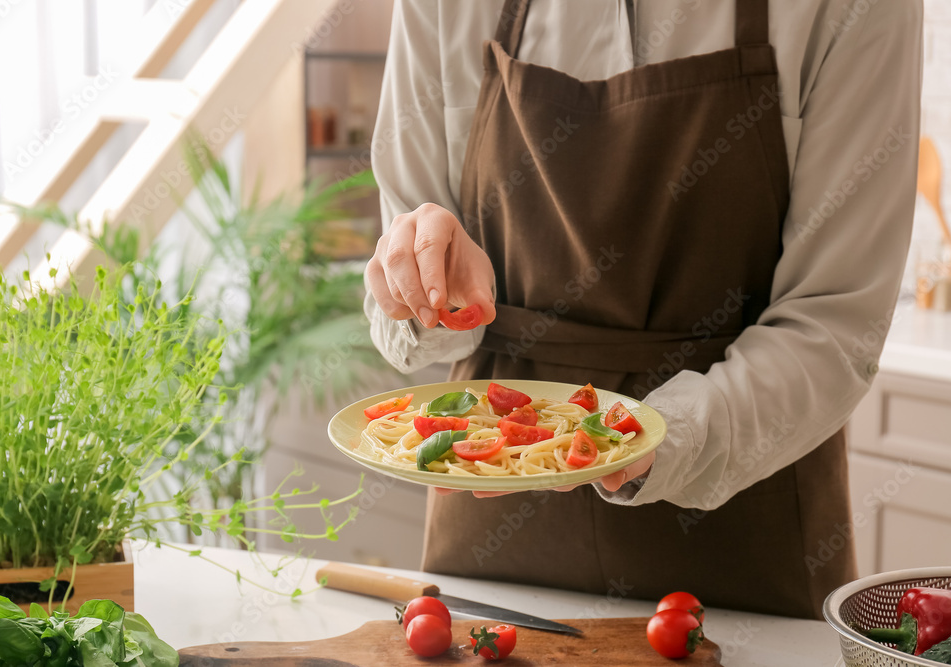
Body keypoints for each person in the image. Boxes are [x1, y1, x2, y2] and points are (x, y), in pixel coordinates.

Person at [362, 0, 923, 619]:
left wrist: (654, 438)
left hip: (747, 539)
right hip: (494, 526)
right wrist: (423, 282)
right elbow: (412, 290)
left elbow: (835, 321)